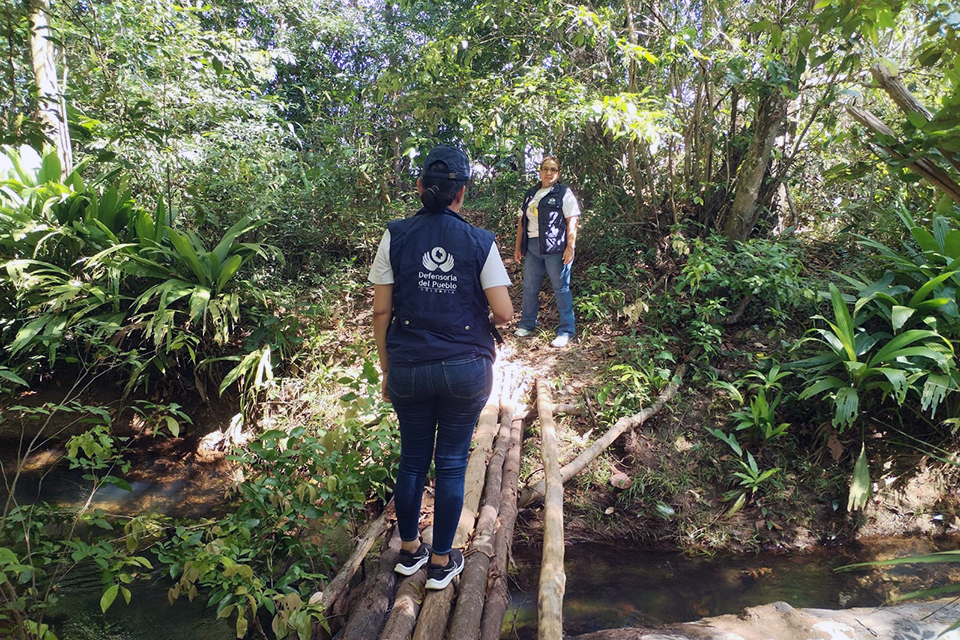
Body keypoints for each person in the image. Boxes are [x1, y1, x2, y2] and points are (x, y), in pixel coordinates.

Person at [368, 145, 513, 590]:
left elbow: (380, 312)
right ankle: (443, 561)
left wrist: (387, 369)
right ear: (461, 193)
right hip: (465, 369)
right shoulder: (479, 241)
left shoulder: (396, 235)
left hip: (409, 366)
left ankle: (409, 551)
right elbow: (505, 313)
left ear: (419, 188)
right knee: (451, 464)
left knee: (411, 460)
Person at [512, 156, 580, 348]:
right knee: (530, 288)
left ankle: (566, 330)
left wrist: (570, 247)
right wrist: (518, 248)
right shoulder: (531, 193)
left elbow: (572, 221)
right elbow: (521, 223)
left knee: (561, 288)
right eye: (545, 169)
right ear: (540, 171)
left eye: (553, 169)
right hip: (533, 248)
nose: (549, 173)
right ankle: (527, 323)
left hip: (555, 249)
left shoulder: (563, 193)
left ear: (558, 173)